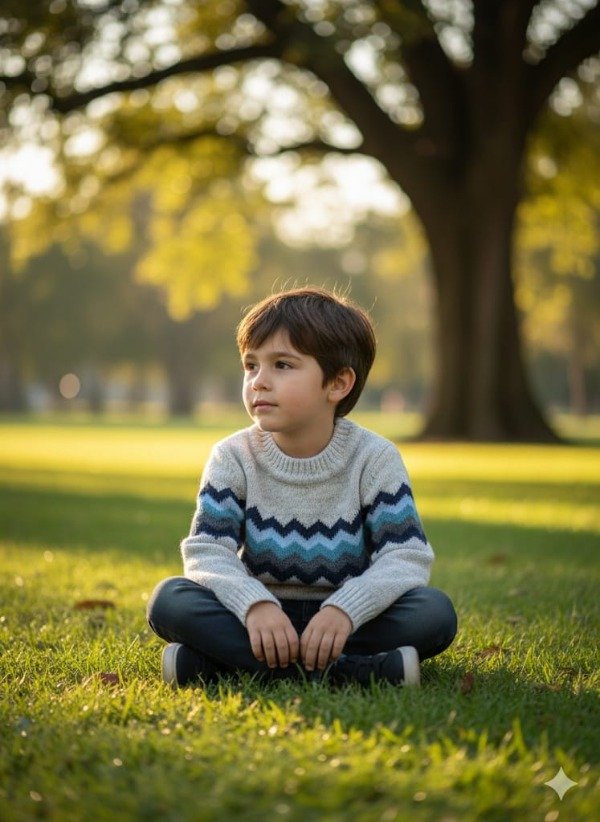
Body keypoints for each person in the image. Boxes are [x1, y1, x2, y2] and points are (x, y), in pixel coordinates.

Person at [147, 287, 457, 688]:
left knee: (432, 612)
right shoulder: (233, 456)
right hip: (254, 619)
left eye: (282, 365)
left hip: (347, 621)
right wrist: (254, 604)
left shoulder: (374, 458)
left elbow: (406, 556)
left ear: (338, 383)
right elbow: (208, 550)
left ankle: (223, 667)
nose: (259, 382)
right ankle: (355, 673)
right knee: (169, 600)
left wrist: (345, 610)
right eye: (250, 365)